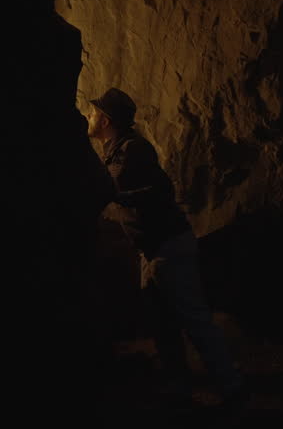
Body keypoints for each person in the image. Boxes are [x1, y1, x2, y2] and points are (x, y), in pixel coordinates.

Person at [86, 87, 249, 410]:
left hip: (168, 247)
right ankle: (179, 387)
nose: (88, 117)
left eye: (93, 113)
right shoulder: (120, 148)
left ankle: (233, 389)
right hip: (154, 247)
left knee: (193, 318)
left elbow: (106, 188)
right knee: (162, 321)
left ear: (105, 120)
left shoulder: (131, 150)